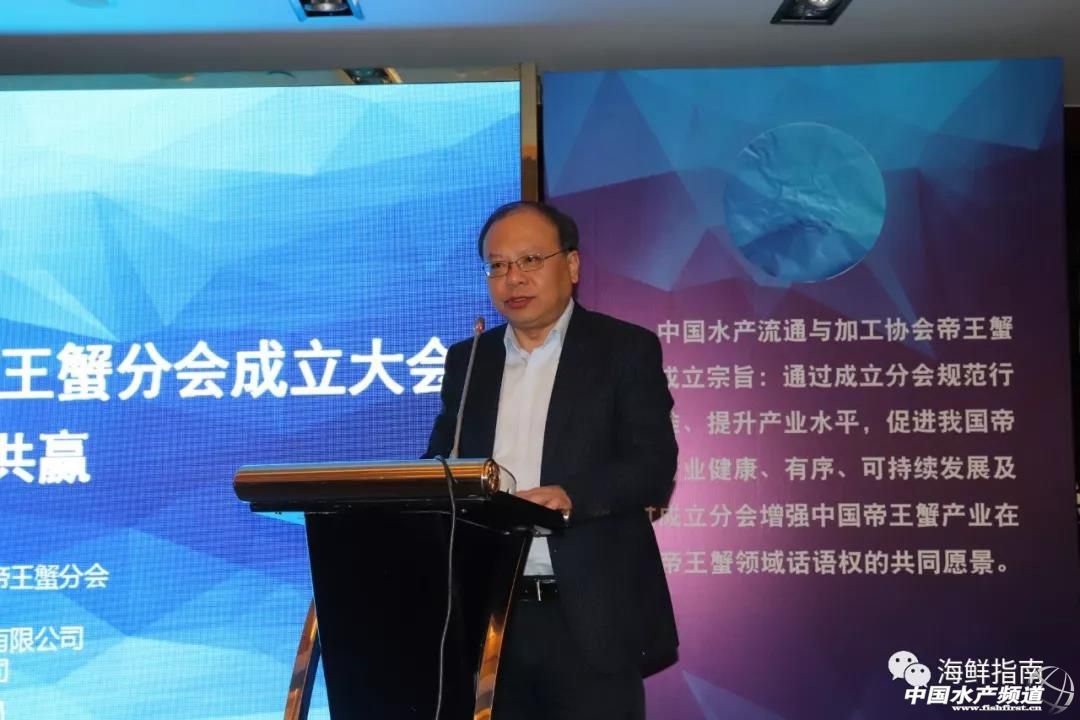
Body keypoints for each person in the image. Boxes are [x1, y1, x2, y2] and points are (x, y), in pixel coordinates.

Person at [425, 200, 678, 719]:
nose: (513, 278)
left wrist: (571, 497)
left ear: (573, 265)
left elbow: (653, 465)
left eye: (530, 260)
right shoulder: (469, 359)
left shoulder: (623, 349)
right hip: (489, 617)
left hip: (589, 615)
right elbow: (441, 461)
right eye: (497, 265)